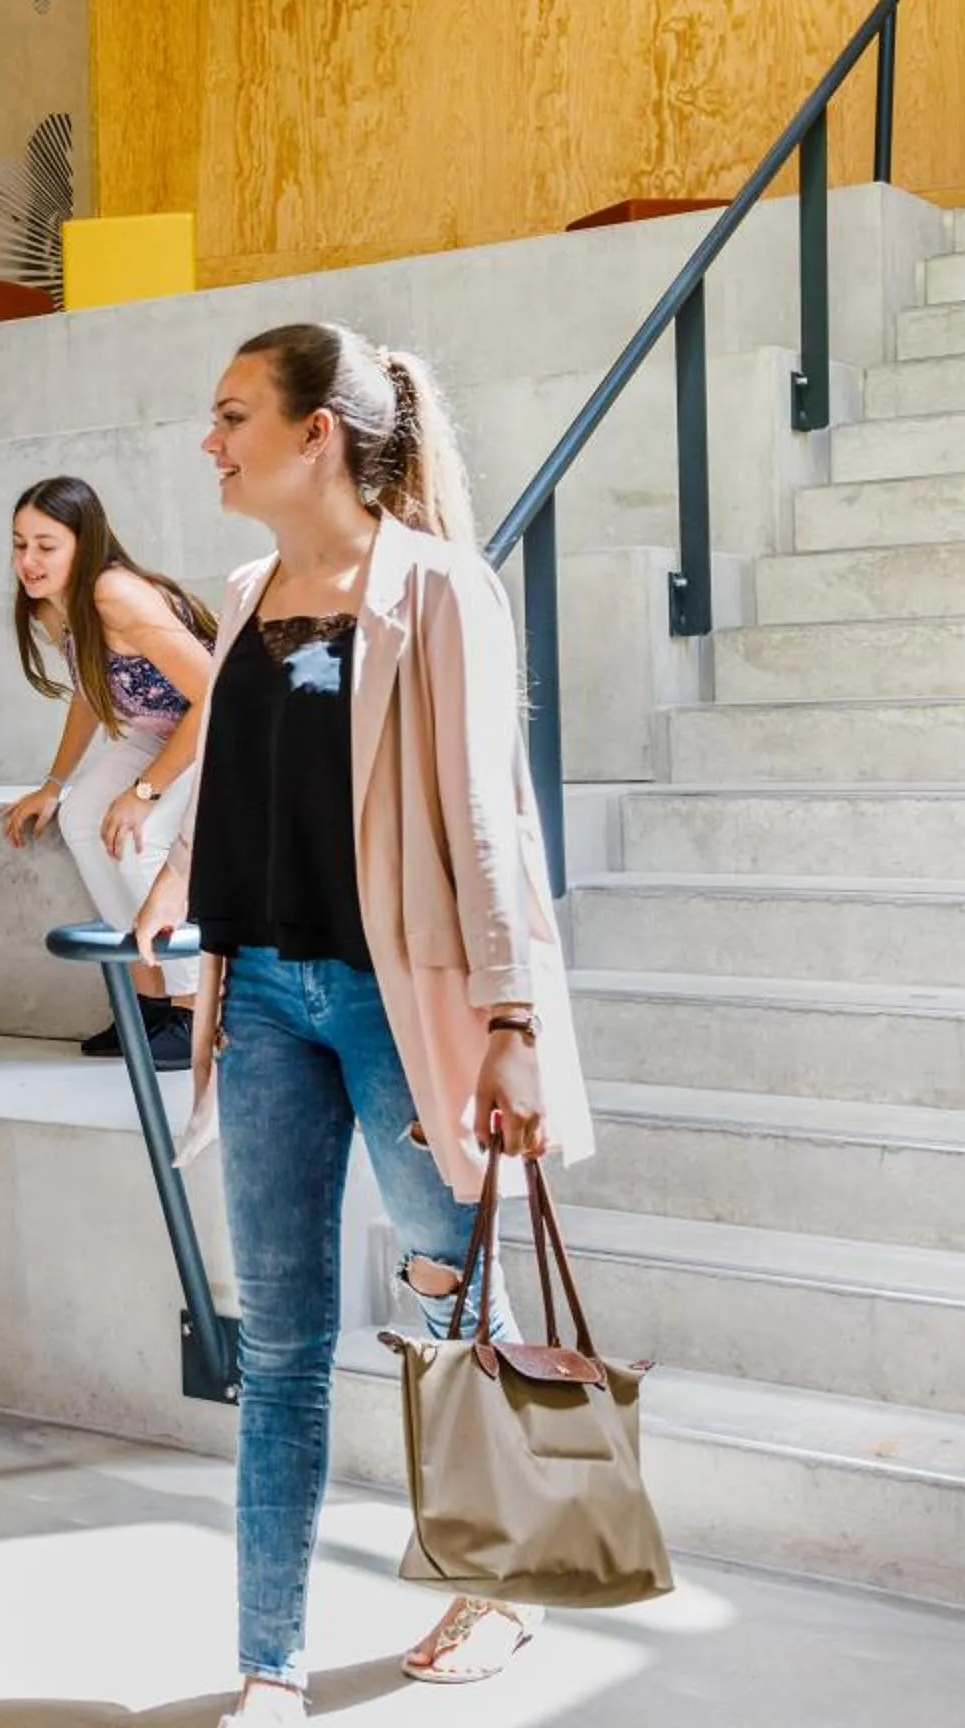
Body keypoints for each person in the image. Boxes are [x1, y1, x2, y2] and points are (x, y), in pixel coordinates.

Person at [130, 325, 596, 1721]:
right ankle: (268, 1662)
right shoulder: (241, 588)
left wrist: (512, 1012)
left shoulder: (440, 589)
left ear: (315, 432)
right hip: (264, 995)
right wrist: (173, 885)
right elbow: (237, 777)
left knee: (454, 1306)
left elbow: (484, 813)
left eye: (232, 417)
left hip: (405, 1002)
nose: (211, 443)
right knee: (276, 1343)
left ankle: (498, 1589)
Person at [0, 476, 217, 1064]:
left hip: (230, 731)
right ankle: (145, 1006)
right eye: (20, 544)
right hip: (163, 729)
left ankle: (196, 1012)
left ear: (84, 543)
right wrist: (54, 784)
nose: (28, 561)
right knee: (82, 818)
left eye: (47, 546)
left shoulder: (115, 594)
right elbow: (92, 690)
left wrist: (147, 792)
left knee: (140, 840)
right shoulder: (51, 605)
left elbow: (217, 693)